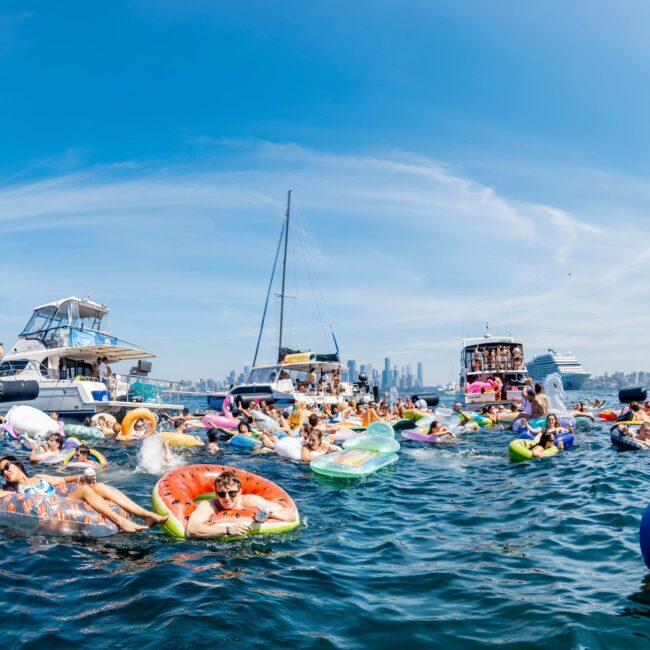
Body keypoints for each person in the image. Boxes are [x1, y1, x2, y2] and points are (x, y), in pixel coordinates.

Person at [0, 455, 166, 533]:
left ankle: (146, 515)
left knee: (98, 486)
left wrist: (85, 477)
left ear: (18, 465)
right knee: (86, 491)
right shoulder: (9, 490)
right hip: (48, 514)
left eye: (7, 467)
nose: (5, 472)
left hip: (60, 503)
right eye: (1, 472)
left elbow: (66, 480)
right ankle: (121, 522)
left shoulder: (40, 478)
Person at [185, 470, 295, 538]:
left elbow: (291, 516)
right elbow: (191, 529)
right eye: (222, 494)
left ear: (240, 492)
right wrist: (228, 530)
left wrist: (272, 513)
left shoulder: (250, 501)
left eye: (232, 493)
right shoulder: (209, 505)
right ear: (216, 494)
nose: (227, 498)